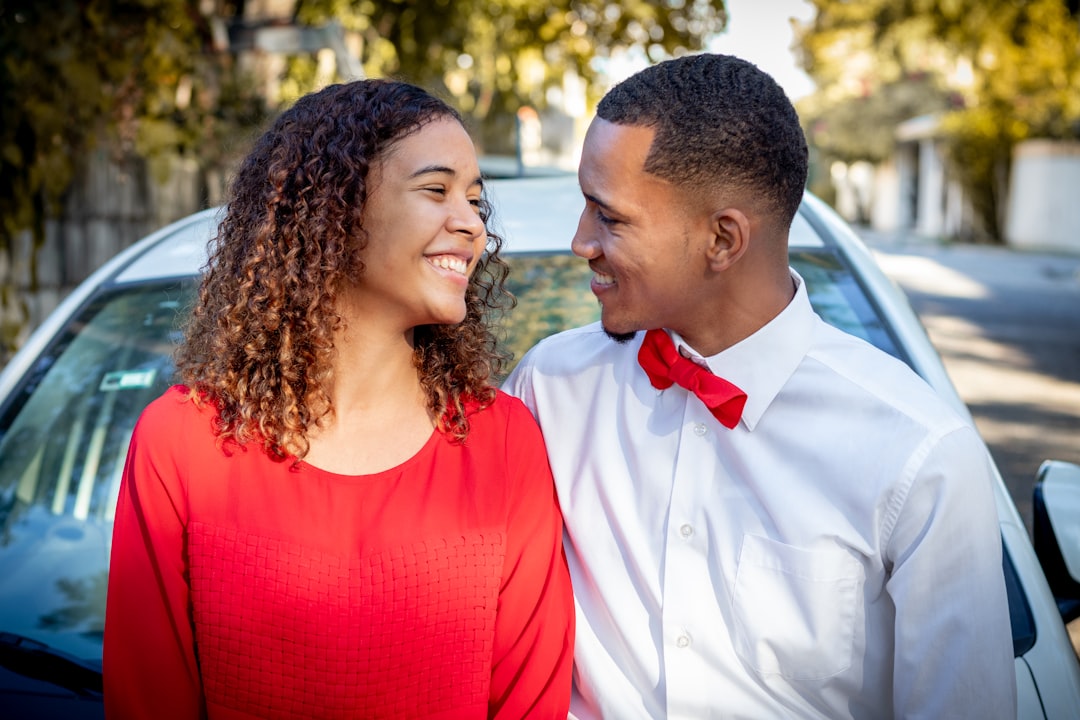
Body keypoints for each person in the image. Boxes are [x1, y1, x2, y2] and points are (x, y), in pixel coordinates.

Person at [504, 53, 1016, 719]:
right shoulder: (549, 389)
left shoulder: (918, 453)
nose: (581, 242)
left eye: (611, 217)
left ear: (723, 239)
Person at [104, 79, 574, 719]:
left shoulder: (505, 443)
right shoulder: (181, 443)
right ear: (335, 210)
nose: (470, 223)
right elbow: (147, 699)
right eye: (436, 190)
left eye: (473, 199)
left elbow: (532, 705)